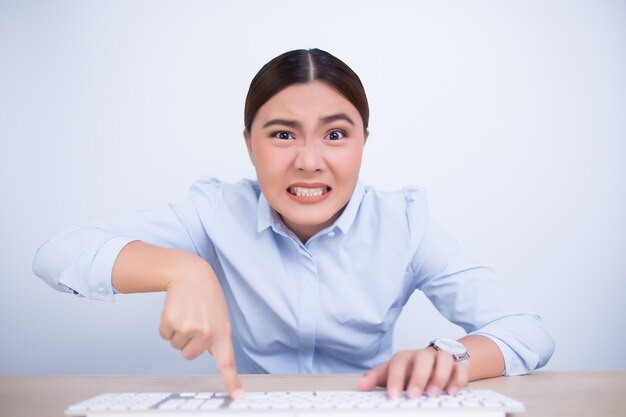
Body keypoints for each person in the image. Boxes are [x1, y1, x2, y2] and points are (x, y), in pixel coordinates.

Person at [33, 48, 555, 400]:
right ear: (249, 144)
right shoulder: (217, 213)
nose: (309, 161)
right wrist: (181, 269)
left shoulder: (404, 223)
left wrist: (452, 359)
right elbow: (57, 255)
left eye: (335, 135)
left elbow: (527, 330)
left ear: (363, 144)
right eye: (283, 135)